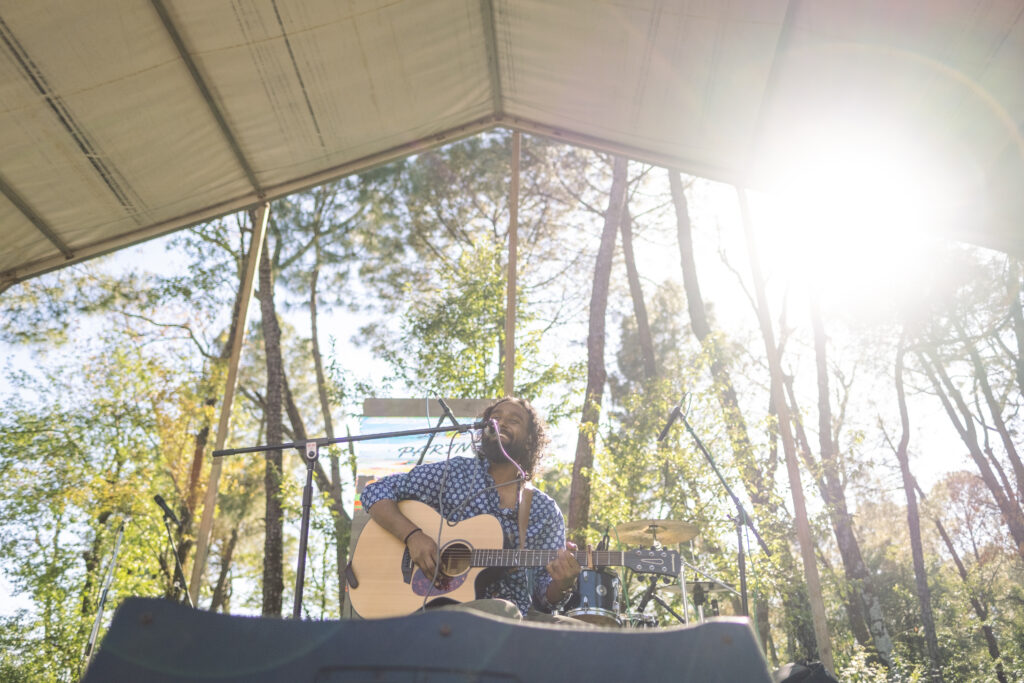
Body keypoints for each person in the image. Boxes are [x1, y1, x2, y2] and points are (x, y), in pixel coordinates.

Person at [360, 397, 581, 620]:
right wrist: (412, 535)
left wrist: (563, 583)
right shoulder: (456, 473)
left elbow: (544, 599)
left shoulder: (545, 511)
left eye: (513, 420)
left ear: (530, 440)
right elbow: (376, 491)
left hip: (518, 617)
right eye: (495, 418)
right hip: (441, 607)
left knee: (579, 631)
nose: (501, 423)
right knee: (504, 611)